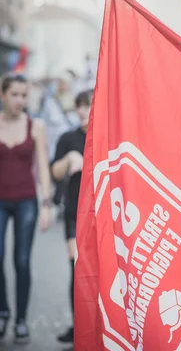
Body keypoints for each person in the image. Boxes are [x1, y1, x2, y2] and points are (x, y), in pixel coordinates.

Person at [0, 75, 52, 343]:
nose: (20, 100)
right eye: (15, 95)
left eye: (24, 95)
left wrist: (46, 204)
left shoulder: (36, 126)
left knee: (21, 261)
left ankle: (20, 319)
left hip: (26, 200)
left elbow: (42, 166)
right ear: (3, 95)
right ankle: (3, 311)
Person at [50, 89, 92, 343]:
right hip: (75, 210)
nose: (81, 111)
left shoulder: (108, 134)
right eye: (79, 106)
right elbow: (55, 172)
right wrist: (69, 160)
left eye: (87, 105)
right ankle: (79, 327)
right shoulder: (68, 138)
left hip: (103, 213)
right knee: (76, 269)